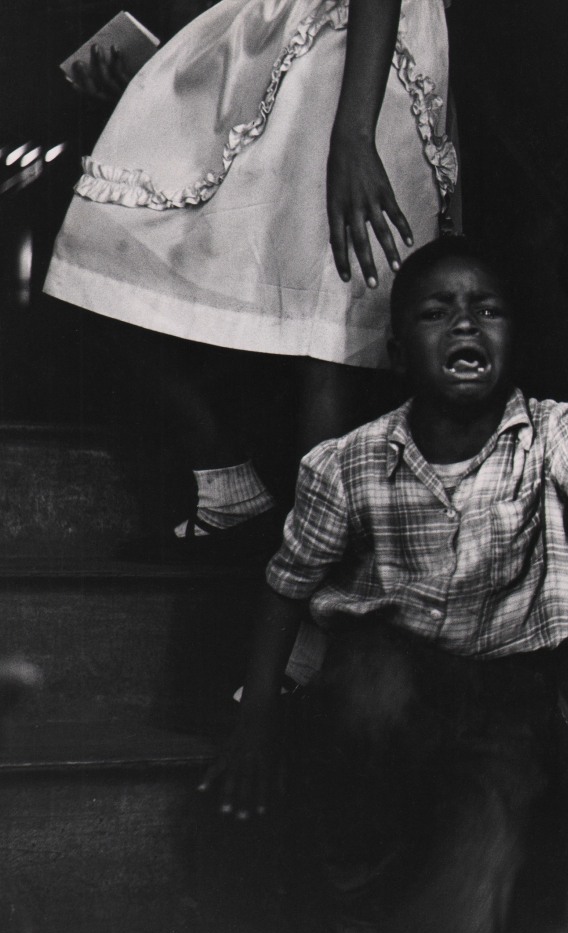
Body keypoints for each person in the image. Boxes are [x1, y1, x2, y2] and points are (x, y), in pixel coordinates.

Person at [198, 235, 568, 933]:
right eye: (437, 312)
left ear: (512, 339)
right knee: (370, 677)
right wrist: (257, 715)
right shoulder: (349, 463)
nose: (466, 324)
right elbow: (285, 586)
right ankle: (357, 891)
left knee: (460, 924)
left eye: (488, 310)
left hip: (504, 700)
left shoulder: (548, 430)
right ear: (398, 350)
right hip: (386, 675)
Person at [44, 0, 457, 561]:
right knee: (99, 248)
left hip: (354, 63)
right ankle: (227, 481)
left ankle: (313, 581)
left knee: (331, 322)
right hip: (267, 50)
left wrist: (356, 135)